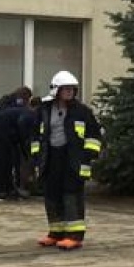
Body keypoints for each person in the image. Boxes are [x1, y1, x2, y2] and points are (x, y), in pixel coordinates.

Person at [30, 70, 103, 250]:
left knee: (71, 195)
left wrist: (87, 156)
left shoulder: (82, 111)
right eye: (66, 89)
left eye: (72, 89)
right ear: (56, 90)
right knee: (52, 195)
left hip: (73, 159)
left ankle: (74, 235)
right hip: (51, 158)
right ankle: (56, 232)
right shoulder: (44, 110)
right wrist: (37, 156)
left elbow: (94, 136)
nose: (70, 92)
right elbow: (35, 134)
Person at [0, 86, 34, 202]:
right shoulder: (28, 113)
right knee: (0, 162)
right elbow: (22, 129)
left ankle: (9, 189)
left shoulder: (21, 109)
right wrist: (24, 147)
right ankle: (1, 192)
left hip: (1, 132)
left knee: (8, 161)